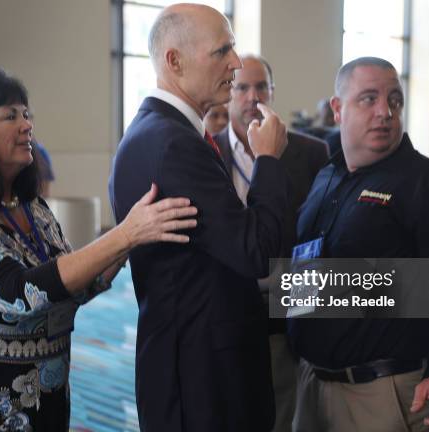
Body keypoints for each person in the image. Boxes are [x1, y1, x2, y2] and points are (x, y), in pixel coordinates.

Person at [0, 69, 197, 430]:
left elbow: (70, 285)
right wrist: (124, 235)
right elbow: (20, 294)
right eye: (10, 115)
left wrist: (135, 236)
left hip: (40, 399)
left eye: (26, 114)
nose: (27, 125)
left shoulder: (33, 208)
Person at [109, 4, 289, 431]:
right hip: (203, 377)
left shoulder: (153, 131)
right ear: (175, 60)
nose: (235, 62)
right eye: (222, 50)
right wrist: (268, 162)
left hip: (191, 360)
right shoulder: (173, 142)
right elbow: (256, 251)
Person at [289, 57, 429, 432]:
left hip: (382, 393)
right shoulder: (326, 176)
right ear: (337, 109)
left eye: (394, 100)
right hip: (312, 384)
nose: (385, 112)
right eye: (369, 99)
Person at [212, 54, 328, 432]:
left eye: (261, 87)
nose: (252, 97)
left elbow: (318, 237)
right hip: (222, 313)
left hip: (284, 314)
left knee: (281, 412)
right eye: (241, 87)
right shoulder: (204, 152)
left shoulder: (310, 152)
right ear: (227, 94)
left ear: (273, 93)